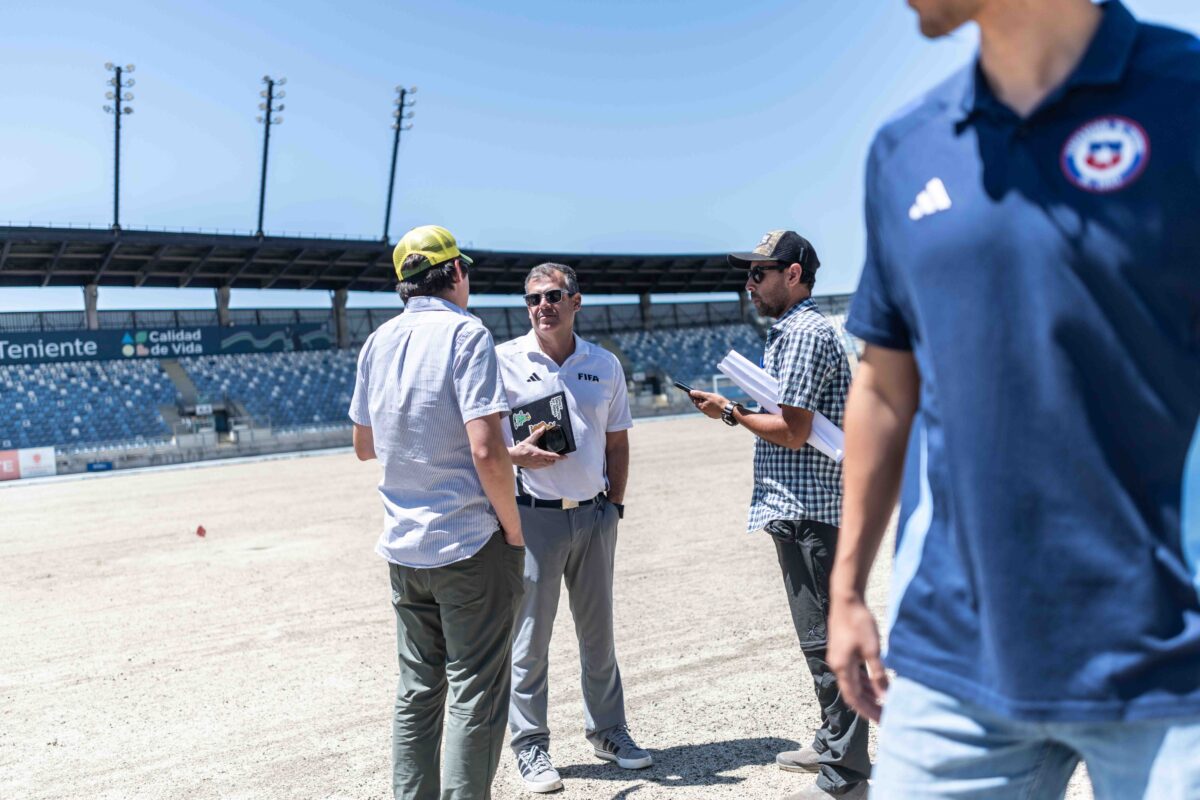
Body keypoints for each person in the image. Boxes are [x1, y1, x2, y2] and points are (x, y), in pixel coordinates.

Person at [828, 1, 1200, 797]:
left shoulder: (1185, 97)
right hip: (953, 664)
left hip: (1175, 668)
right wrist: (848, 588)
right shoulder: (905, 149)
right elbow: (885, 387)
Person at [687, 231, 868, 800]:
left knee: (829, 639)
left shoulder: (808, 333)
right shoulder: (790, 332)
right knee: (817, 638)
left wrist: (728, 411)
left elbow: (794, 429)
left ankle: (845, 774)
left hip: (815, 510)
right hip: (799, 506)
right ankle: (832, 741)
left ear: (792, 274)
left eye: (758, 273)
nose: (750, 283)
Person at [349, 224, 526, 800]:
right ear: (453, 273)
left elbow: (364, 444)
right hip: (468, 539)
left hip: (403, 543)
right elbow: (483, 448)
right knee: (475, 688)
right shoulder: (466, 334)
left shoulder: (377, 340)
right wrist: (515, 530)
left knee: (416, 692)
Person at [494, 262, 650, 794]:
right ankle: (531, 748)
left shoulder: (603, 364)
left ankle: (609, 732)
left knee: (598, 636)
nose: (543, 306)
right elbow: (486, 446)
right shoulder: (503, 362)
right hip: (531, 517)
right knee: (530, 641)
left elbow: (619, 441)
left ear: (576, 302)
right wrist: (517, 458)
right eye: (534, 298)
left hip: (593, 515)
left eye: (554, 295)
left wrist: (615, 507)